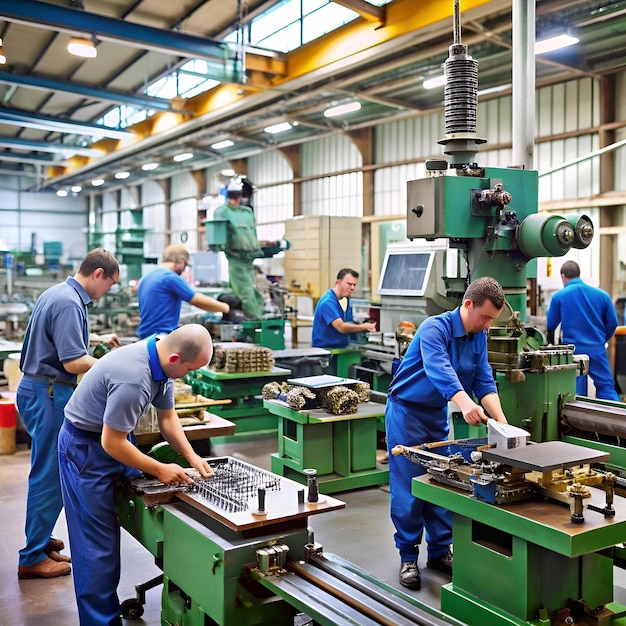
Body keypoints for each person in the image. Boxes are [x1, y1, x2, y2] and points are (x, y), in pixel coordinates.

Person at [58, 324, 215, 625]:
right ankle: (99, 621)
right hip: (86, 450)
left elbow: (167, 418)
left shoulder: (162, 356)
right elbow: (110, 443)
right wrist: (158, 468)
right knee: (97, 548)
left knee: (155, 500)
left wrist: (191, 456)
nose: (189, 376)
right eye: (190, 370)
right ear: (175, 359)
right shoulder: (134, 378)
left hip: (116, 441)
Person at [385, 276, 509, 590]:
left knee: (442, 483)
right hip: (407, 415)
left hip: (436, 416)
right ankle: (408, 556)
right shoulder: (434, 328)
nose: (486, 325)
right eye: (485, 318)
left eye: (491, 320)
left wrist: (503, 424)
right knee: (409, 489)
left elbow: (483, 379)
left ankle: (440, 551)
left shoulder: (479, 336)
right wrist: (465, 404)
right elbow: (439, 369)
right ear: (468, 305)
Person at [16, 248, 122, 580]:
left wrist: (98, 339)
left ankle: (40, 537)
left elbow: (61, 342)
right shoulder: (69, 303)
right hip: (49, 392)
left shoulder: (58, 293)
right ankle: (32, 556)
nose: (106, 294)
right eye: (110, 285)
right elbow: (73, 362)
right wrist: (116, 364)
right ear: (99, 275)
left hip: (39, 389)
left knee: (45, 470)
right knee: (50, 475)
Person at [547, 260, 620, 401]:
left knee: (575, 393)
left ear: (563, 276)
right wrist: (601, 339)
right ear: (579, 275)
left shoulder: (559, 296)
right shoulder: (602, 296)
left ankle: (575, 422)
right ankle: (620, 418)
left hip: (574, 353)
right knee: (606, 387)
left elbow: (551, 325)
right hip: (597, 349)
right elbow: (613, 323)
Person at [137, 244, 229, 338]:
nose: (184, 270)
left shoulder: (146, 277)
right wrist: (225, 307)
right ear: (181, 260)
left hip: (145, 337)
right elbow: (196, 300)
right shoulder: (170, 278)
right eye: (185, 265)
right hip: (161, 337)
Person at [213, 180, 265, 319]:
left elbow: (252, 233)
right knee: (246, 293)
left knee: (254, 293)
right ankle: (256, 321)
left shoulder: (247, 212)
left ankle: (258, 316)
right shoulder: (223, 212)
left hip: (249, 259)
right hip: (236, 260)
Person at [312, 268, 377, 349]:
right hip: (326, 351)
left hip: (342, 347)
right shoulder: (328, 302)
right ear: (338, 282)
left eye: (354, 285)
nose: (352, 288)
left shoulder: (346, 299)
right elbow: (341, 327)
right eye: (349, 284)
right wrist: (365, 326)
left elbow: (348, 322)